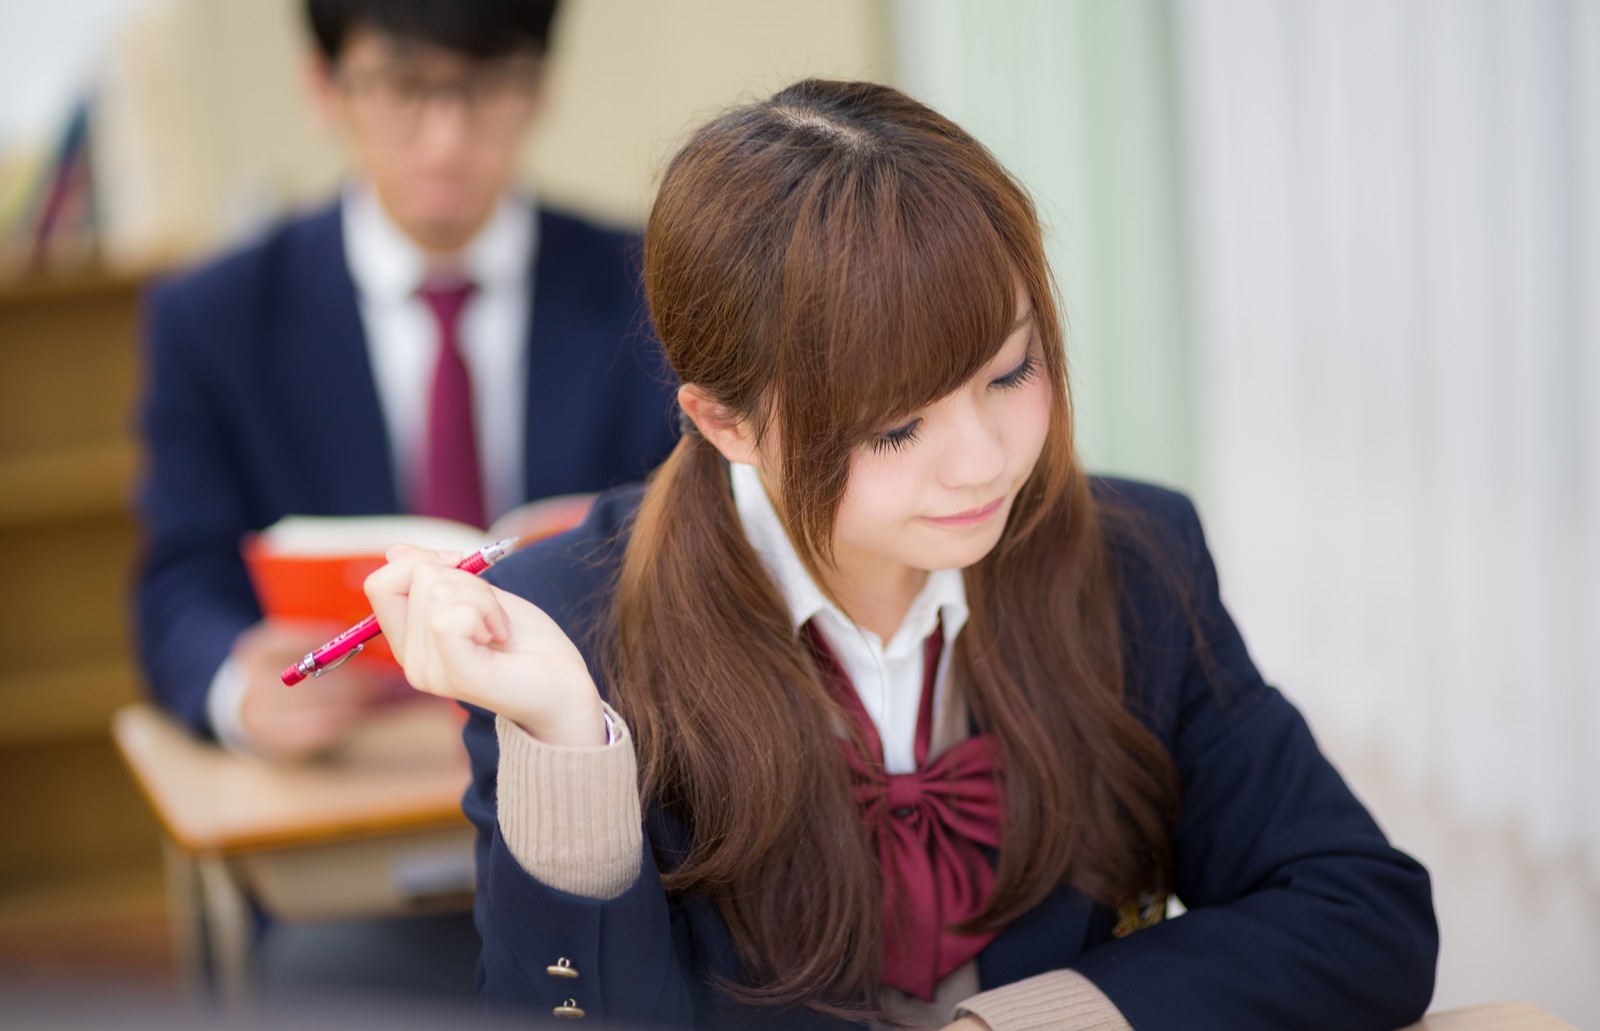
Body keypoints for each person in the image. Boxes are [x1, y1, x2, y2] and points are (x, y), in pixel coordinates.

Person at [365, 80, 1439, 1028]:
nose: (981, 463)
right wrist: (566, 740)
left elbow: (1361, 911)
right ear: (726, 423)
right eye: (894, 429)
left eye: (1009, 373)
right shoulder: (567, 622)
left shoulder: (1132, 556)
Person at [134, 0, 677, 760]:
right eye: (401, 85)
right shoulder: (215, 319)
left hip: (599, 746)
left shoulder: (650, 289)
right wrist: (239, 687)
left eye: (487, 85)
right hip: (349, 763)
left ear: (540, 87)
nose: (447, 138)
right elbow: (180, 577)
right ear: (325, 86)